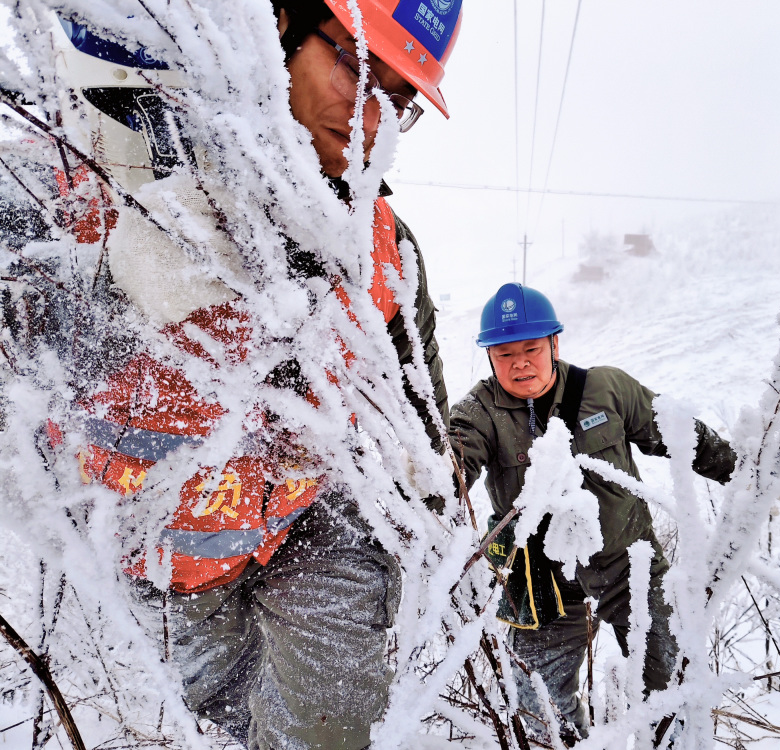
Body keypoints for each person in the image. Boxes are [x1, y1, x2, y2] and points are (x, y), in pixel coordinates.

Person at [5, 2, 462, 748]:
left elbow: (419, 402)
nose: (372, 113)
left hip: (306, 526)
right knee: (215, 714)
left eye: (400, 96)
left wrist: (434, 488)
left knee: (327, 720)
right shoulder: (90, 185)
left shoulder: (383, 243)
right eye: (355, 63)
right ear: (273, 28)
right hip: (163, 563)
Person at [449, 282, 737, 744]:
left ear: (554, 344)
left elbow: (679, 432)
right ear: (489, 357)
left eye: (531, 348)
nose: (520, 362)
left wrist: (742, 471)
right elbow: (451, 464)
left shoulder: (606, 389)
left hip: (627, 564)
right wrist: (429, 482)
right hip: (538, 574)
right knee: (538, 699)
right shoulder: (477, 411)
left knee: (666, 684)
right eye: (504, 354)